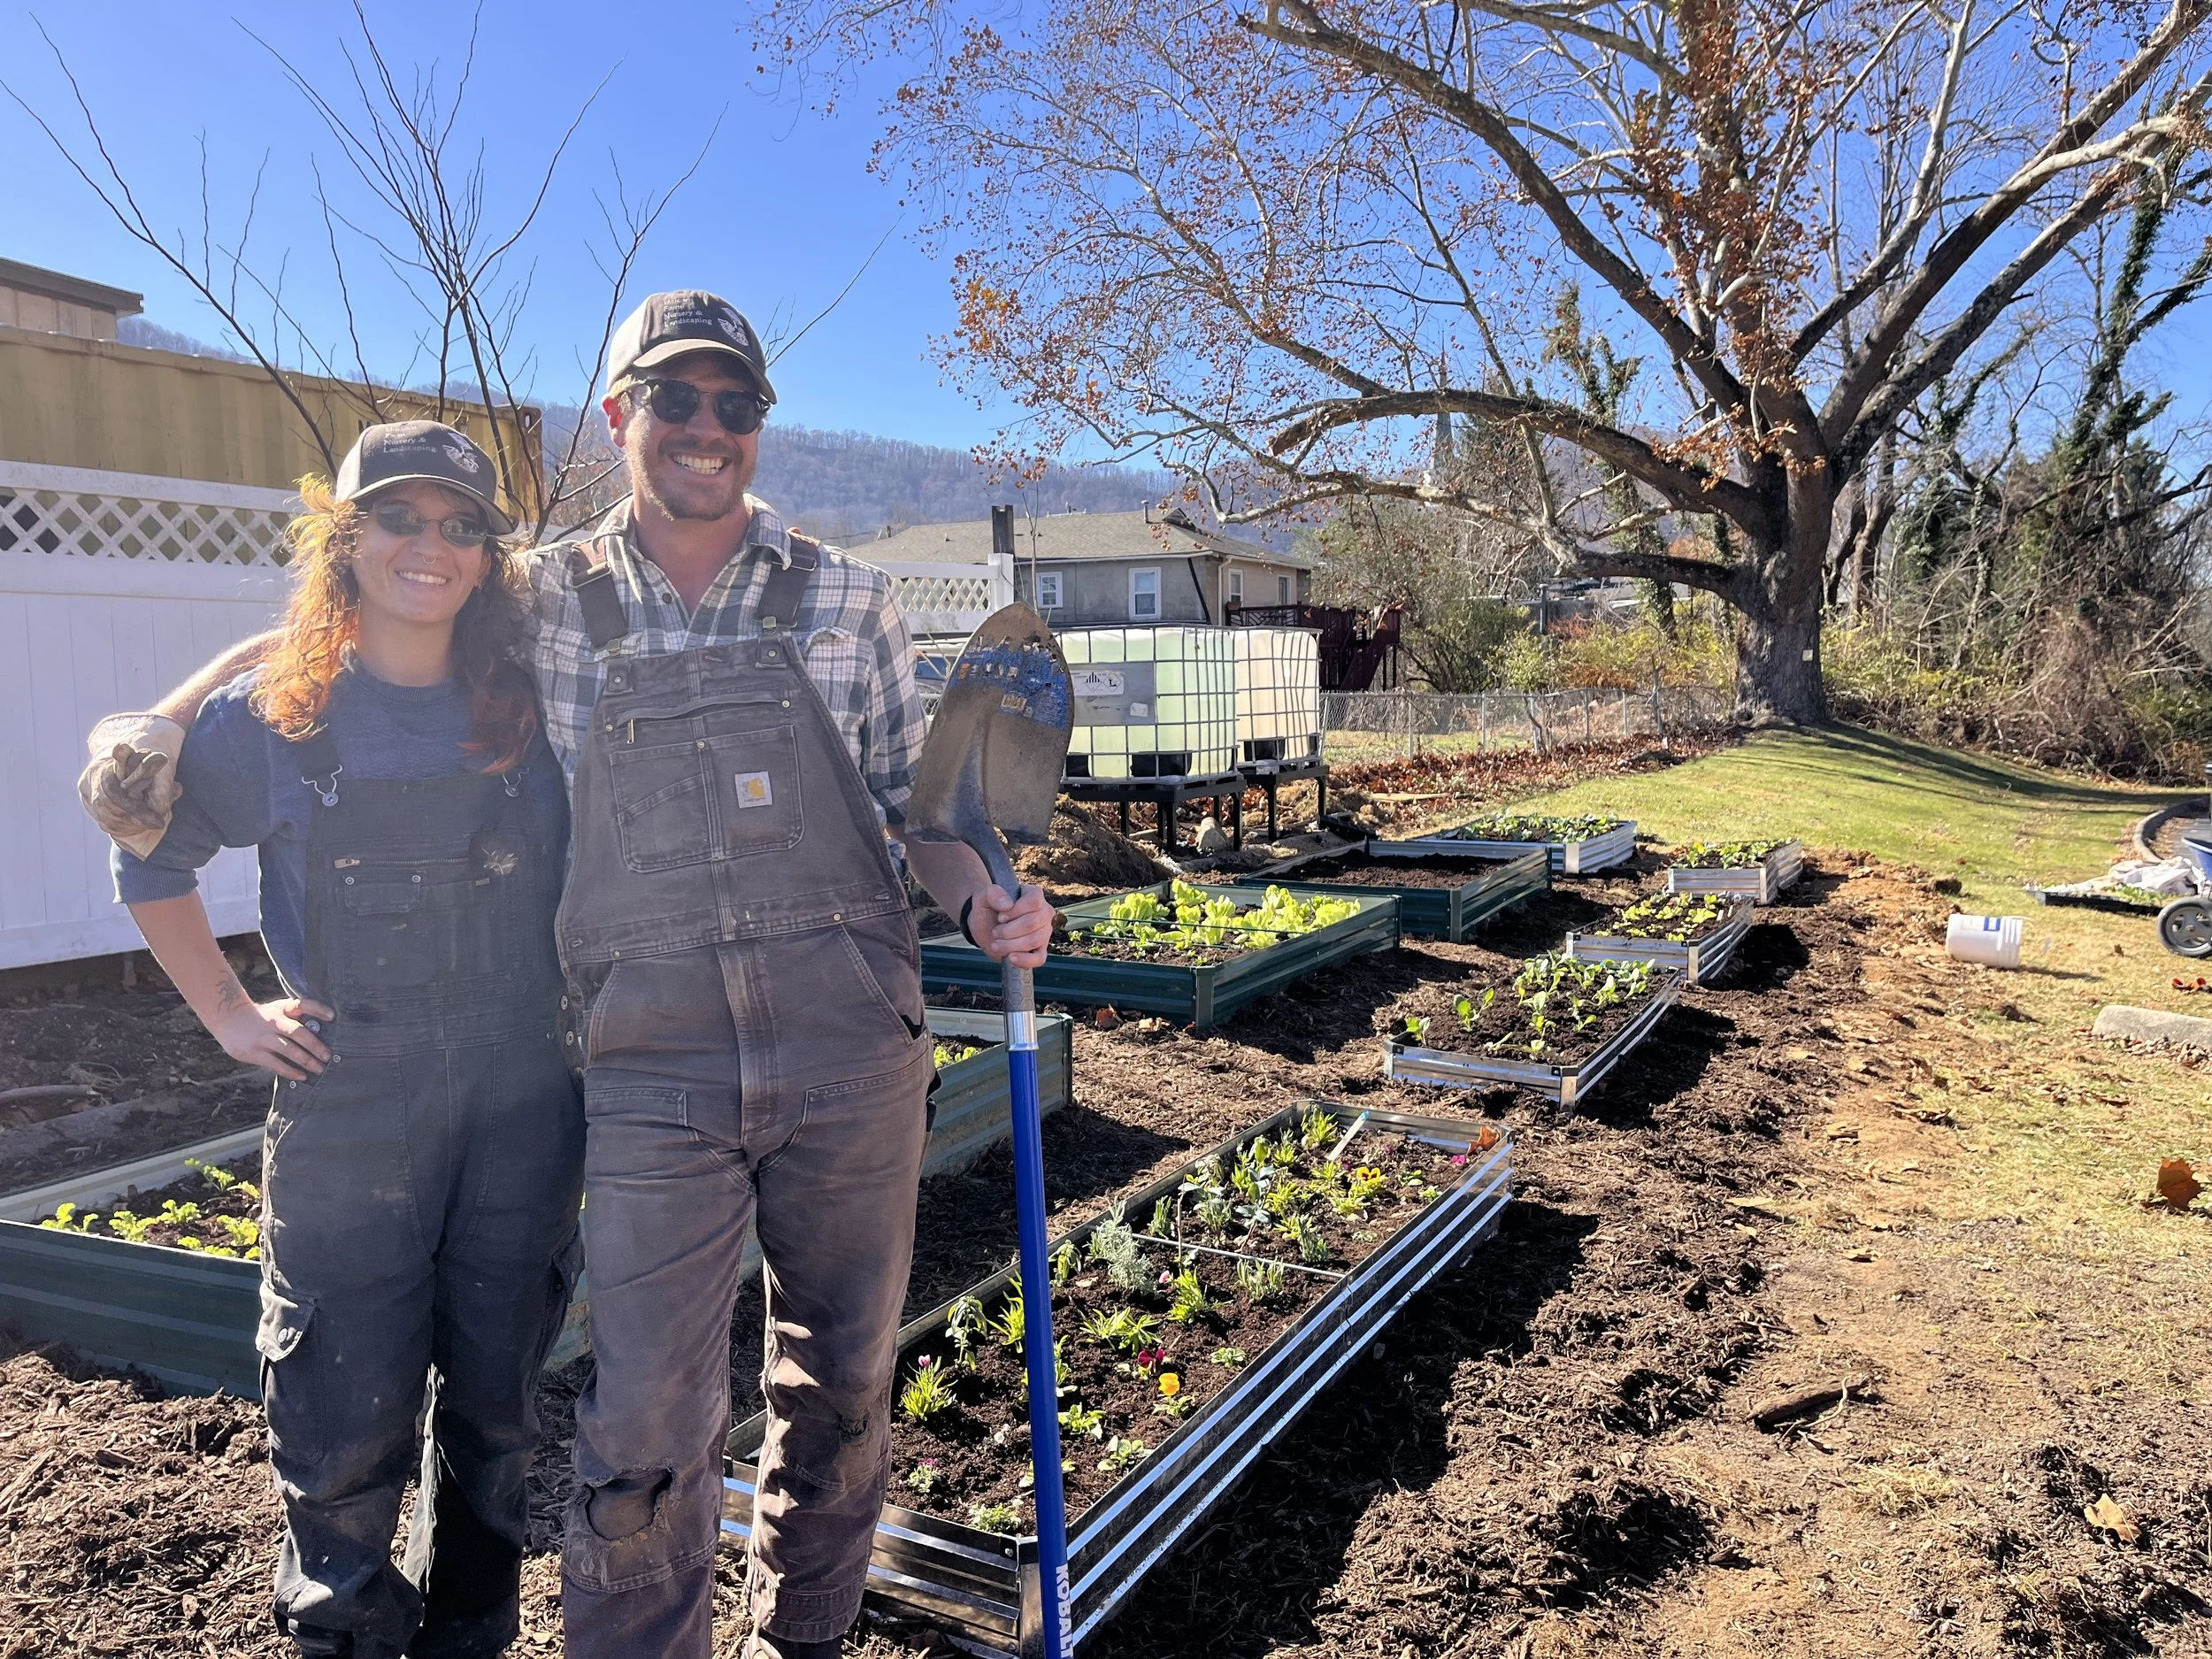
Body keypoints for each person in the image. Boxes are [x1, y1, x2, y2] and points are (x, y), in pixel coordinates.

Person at [83, 291, 1056, 1659]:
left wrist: (996, 901)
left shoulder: (855, 596)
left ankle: (811, 1630)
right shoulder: (542, 595)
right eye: (676, 399)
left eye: (736, 404)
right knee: (645, 1408)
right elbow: (340, 628)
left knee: (842, 1378)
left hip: (848, 1044)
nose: (707, 428)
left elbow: (925, 816)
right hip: (648, 1058)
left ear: (760, 426)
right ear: (620, 417)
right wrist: (172, 717)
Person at [92, 422, 582, 1659]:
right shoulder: (274, 720)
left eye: (459, 523)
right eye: (398, 517)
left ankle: (472, 1628)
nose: (430, 544)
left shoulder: (532, 707)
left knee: (497, 1401)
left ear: (487, 553)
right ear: (344, 534)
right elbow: (147, 858)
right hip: (349, 1101)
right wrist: (227, 1012)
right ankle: (344, 1631)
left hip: (524, 1099)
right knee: (341, 1408)